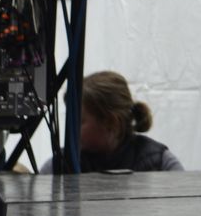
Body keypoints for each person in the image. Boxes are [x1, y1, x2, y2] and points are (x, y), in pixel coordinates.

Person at [44, 71, 183, 173]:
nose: (71, 130)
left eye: (80, 122)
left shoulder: (160, 163)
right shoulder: (61, 164)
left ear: (112, 122)